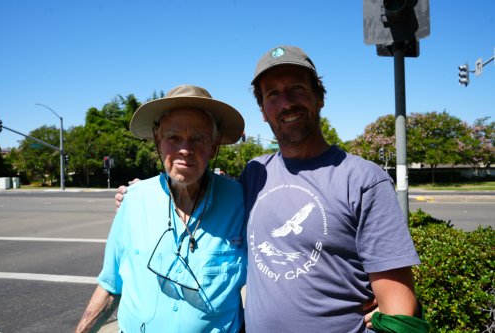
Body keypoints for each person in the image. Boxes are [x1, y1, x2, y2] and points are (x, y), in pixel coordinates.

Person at [117, 46, 427, 332]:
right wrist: (144, 193)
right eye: (273, 95)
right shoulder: (255, 174)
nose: (287, 102)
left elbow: (399, 307)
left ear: (319, 97)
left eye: (296, 89)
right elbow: (200, 192)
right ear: (263, 111)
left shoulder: (362, 180)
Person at [76, 85, 247, 333]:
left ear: (214, 145)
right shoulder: (133, 202)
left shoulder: (240, 202)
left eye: (198, 138)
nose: (185, 150)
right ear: (158, 139)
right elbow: (111, 287)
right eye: (173, 138)